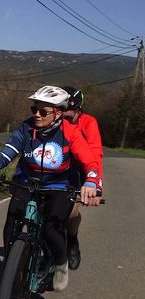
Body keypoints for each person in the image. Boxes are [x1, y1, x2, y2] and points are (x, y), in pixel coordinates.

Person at [0, 86, 101, 292]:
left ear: (58, 113)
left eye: (43, 112)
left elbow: (90, 163)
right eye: (35, 109)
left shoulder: (71, 133)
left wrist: (91, 182)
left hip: (59, 186)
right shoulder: (26, 129)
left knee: (52, 228)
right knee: (12, 223)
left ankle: (60, 264)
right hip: (26, 181)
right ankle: (10, 270)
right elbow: (8, 152)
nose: (37, 115)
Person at [61, 86, 104, 270]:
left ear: (78, 108)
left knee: (71, 213)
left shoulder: (88, 123)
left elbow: (95, 154)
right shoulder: (56, 120)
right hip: (57, 166)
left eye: (68, 111)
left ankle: (72, 239)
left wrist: (96, 185)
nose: (63, 114)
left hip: (79, 170)